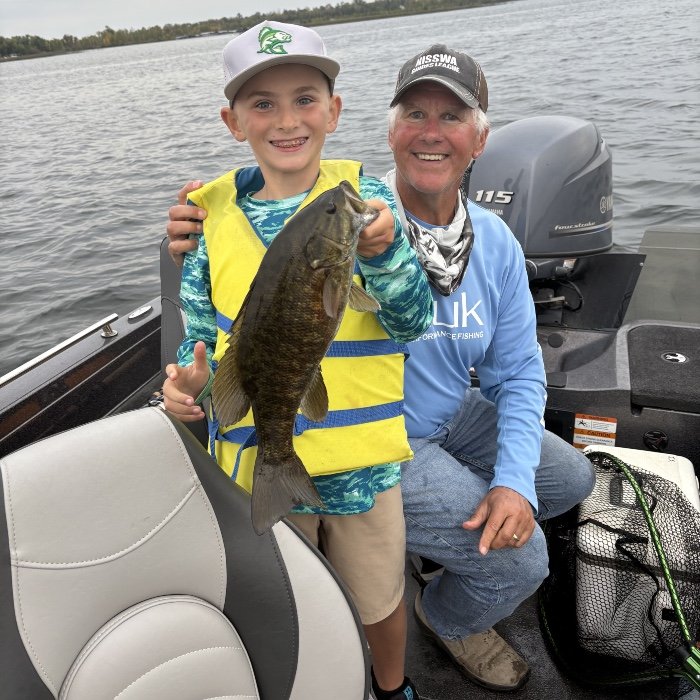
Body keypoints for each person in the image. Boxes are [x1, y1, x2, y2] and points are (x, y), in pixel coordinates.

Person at [166, 43, 596, 693]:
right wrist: (209, 214)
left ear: (481, 140)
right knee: (520, 560)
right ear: (389, 129)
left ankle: (437, 552)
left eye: (452, 117)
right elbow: (254, 233)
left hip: (451, 413)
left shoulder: (496, 241)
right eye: (414, 114)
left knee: (568, 478)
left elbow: (517, 371)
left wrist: (514, 483)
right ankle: (450, 619)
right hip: (383, 439)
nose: (431, 132)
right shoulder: (351, 207)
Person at [162, 21, 433, 700]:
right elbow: (199, 340)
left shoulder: (370, 210)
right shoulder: (206, 220)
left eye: (305, 99)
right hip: (263, 460)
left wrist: (382, 255)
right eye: (263, 104)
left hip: (361, 466)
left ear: (334, 112)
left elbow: (413, 321)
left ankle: (391, 687)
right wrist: (190, 384)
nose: (287, 120)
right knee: (291, 604)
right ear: (233, 122)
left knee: (380, 599)